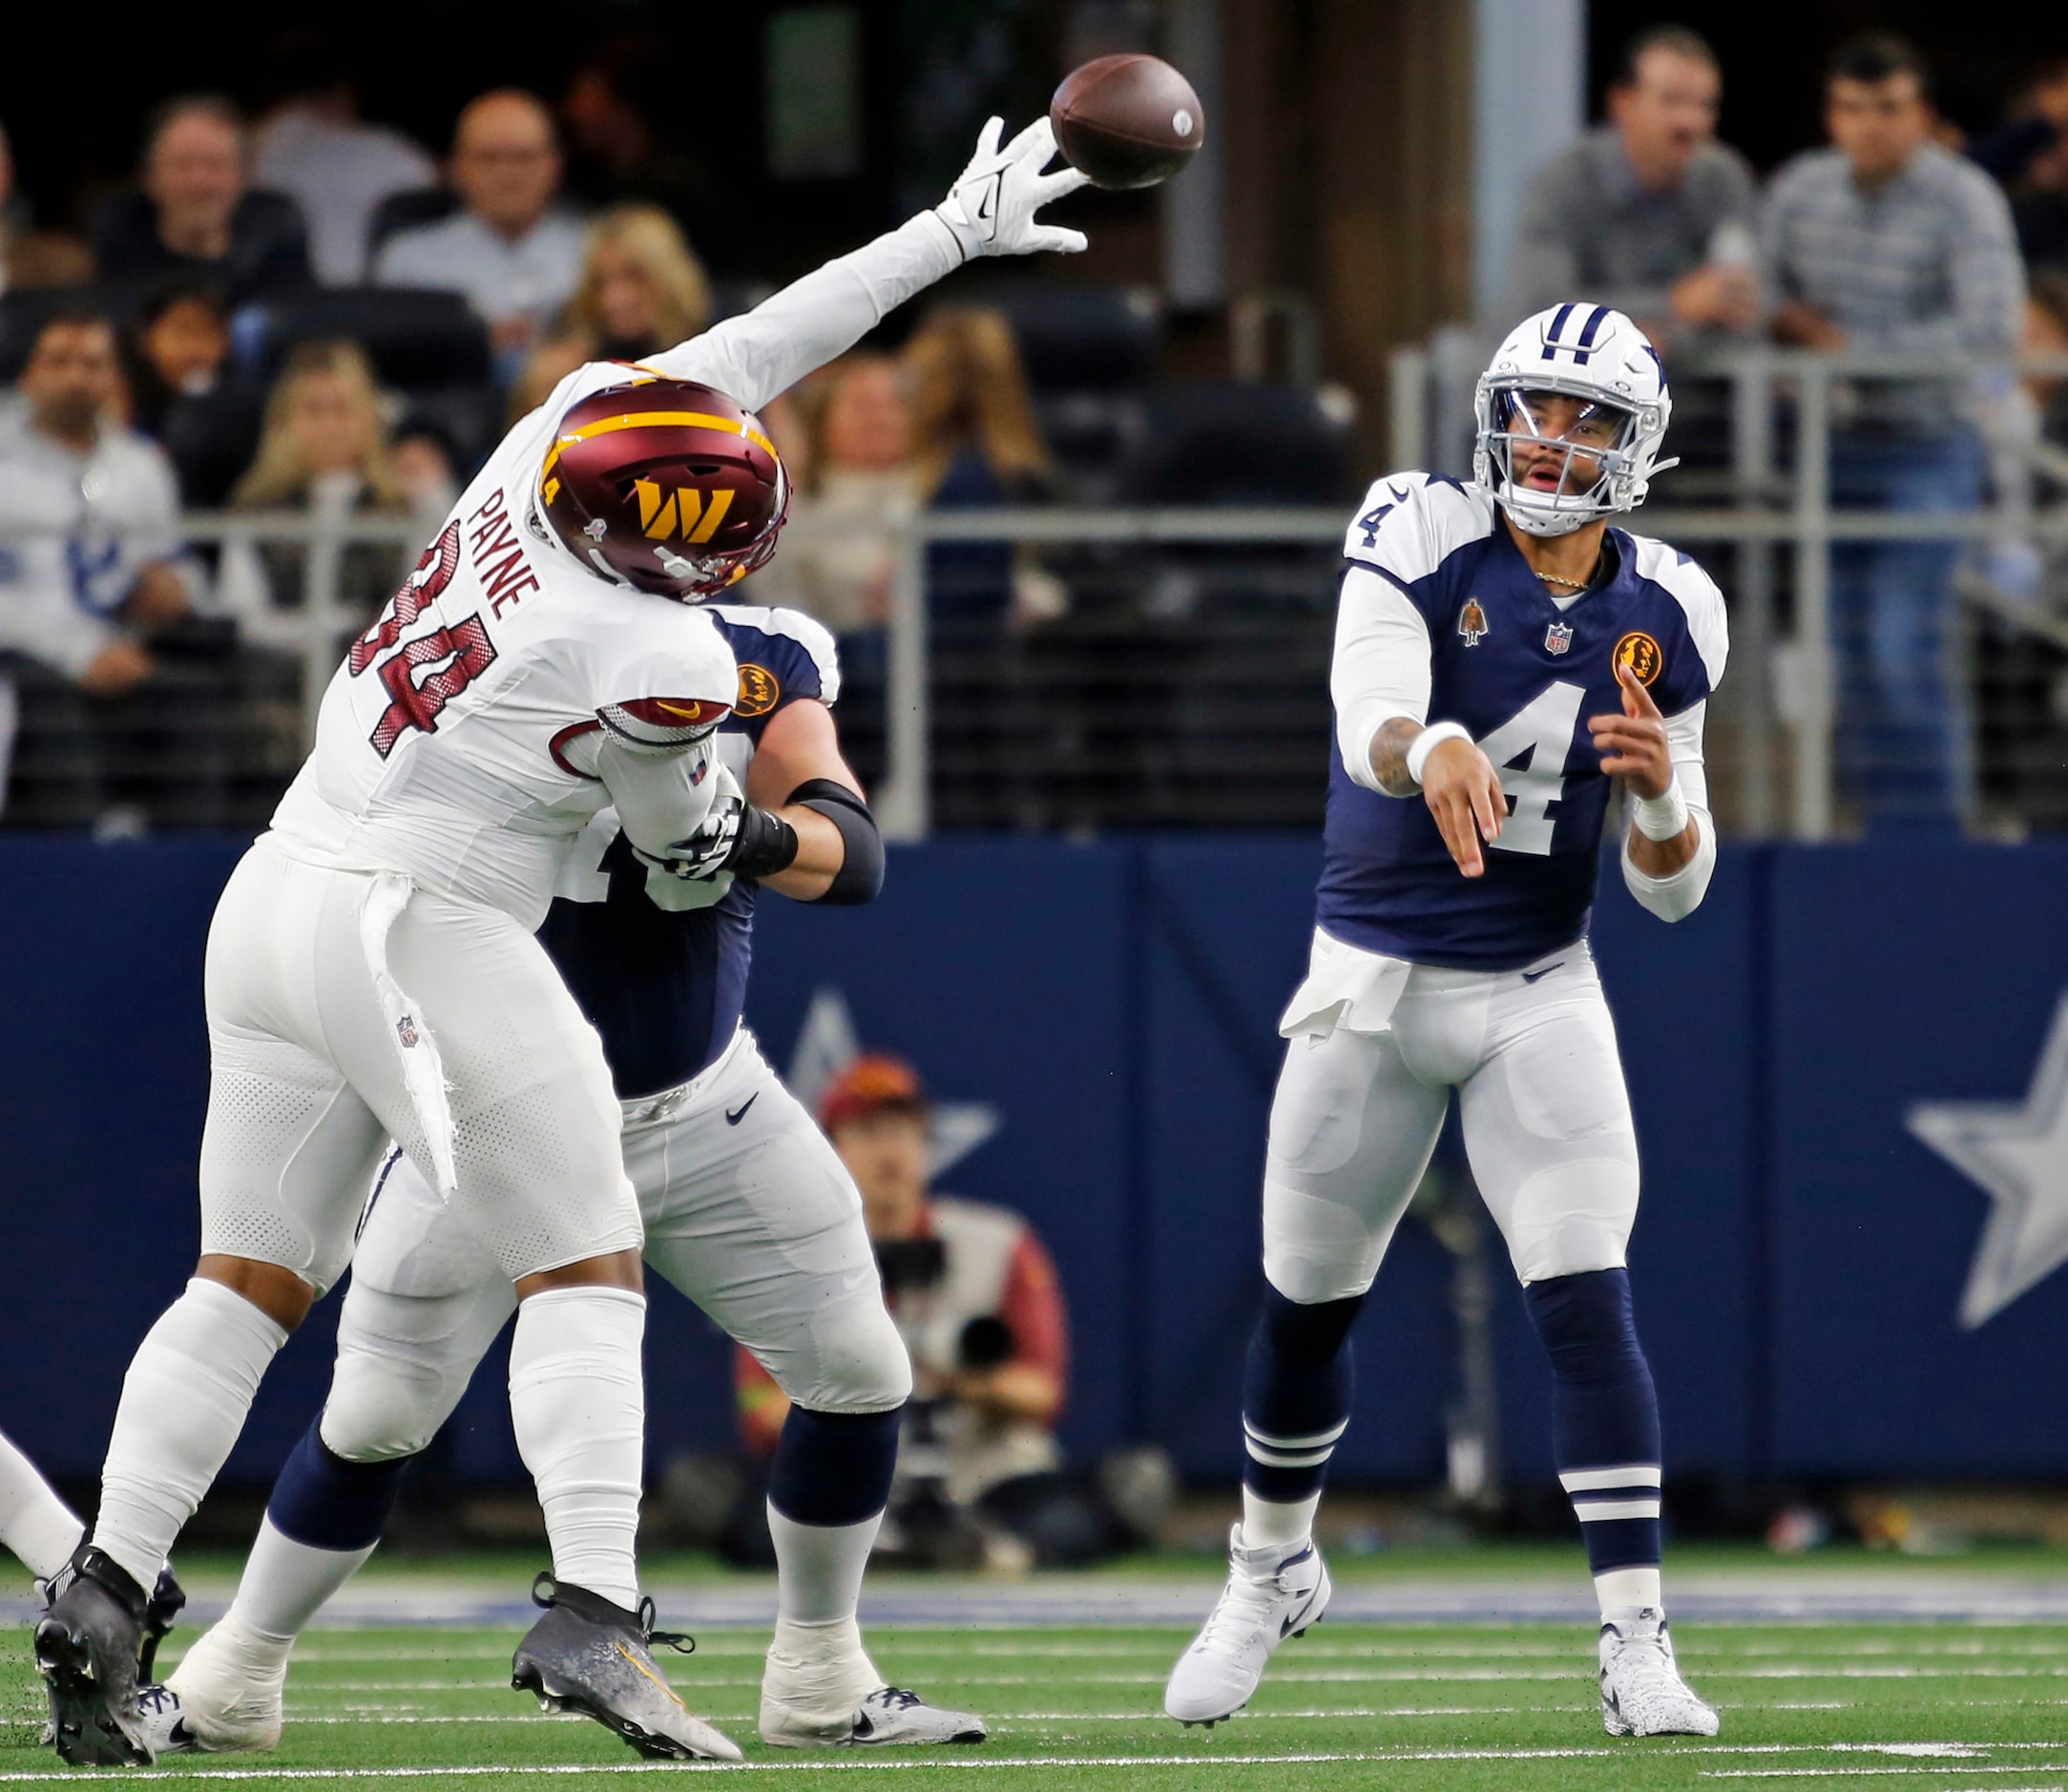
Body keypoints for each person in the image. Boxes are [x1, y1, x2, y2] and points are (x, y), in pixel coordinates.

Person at [31, 115, 1089, 1769]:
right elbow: (682, 850)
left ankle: (107, 1579)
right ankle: (594, 1605)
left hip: (283, 886)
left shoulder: (563, 430)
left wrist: (946, 235)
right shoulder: (654, 646)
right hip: (424, 931)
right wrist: (724, 828)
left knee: (242, 1282)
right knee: (582, 1257)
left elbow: (748, 350)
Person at [1162, 302, 1726, 1740]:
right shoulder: (1417, 522)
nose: (1551, 437)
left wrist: (1659, 793)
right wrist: (1434, 743)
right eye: (1534, 406)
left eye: (1587, 417)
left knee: (1583, 1296)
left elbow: (1672, 891)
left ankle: (1634, 1637)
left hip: (1537, 987)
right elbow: (1366, 704)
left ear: (1634, 445)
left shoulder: (1670, 604)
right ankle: (1264, 1563)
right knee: (1304, 1302)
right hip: (1370, 981)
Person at [734, 1055, 1155, 1570]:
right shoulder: (790, 1255)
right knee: (746, 1512)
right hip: (848, 1472)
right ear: (832, 1147)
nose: (889, 1150)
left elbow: (1043, 1393)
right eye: (867, 1131)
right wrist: (856, 1394)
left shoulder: (999, 1242)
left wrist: (958, 1380)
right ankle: (875, 1552)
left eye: (903, 1131)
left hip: (983, 1473)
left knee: (1097, 1500)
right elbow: (759, 1407)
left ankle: (993, 1552)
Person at [1764, 32, 2025, 831]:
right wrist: (1784, 325)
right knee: (1848, 655)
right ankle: (1879, 837)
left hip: (1926, 448)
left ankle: (1930, 842)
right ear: (1830, 116)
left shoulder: (1964, 197)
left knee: (1900, 640)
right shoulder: (1800, 190)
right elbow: (1763, 286)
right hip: (1826, 449)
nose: (1869, 127)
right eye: (1851, 109)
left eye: (1887, 109)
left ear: (1920, 115)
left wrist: (1850, 353)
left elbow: (1987, 329)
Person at [0, 313, 201, 828]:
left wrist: (171, 590)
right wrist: (77, 652)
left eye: (92, 363)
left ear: (114, 377)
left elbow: (176, 564)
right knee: (50, 713)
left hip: (125, 648)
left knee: (194, 706)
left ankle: (197, 884)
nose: (76, 378)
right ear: (27, 374)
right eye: (59, 361)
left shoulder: (140, 466)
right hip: (27, 656)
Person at [1509, 27, 1760, 352]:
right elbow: (1542, 309)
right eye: (1671, 101)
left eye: (1705, 106)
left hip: (1701, 389)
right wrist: (1673, 306)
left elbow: (1745, 308)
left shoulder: (1724, 177)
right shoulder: (1563, 182)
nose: (1690, 122)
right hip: (1584, 388)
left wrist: (1660, 333)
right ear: (1622, 103)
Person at [218, 340, 415, 649]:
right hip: (276, 680)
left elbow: (418, 612)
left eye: (342, 409)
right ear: (284, 420)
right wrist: (338, 628)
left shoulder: (403, 507)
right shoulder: (255, 507)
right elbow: (244, 620)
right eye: (313, 410)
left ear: (369, 416)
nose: (329, 426)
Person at [372, 91, 586, 362]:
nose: (508, 174)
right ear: (457, 167)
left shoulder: (595, 250)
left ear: (554, 165)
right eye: (489, 158)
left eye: (524, 157)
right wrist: (471, 341)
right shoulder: (408, 260)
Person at [251, 32, 438, 287]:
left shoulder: (243, 150)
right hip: (373, 304)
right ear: (345, 93)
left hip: (286, 305)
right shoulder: (392, 151)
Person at [92, 98, 312, 306]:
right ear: (149, 176)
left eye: (216, 165)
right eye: (183, 165)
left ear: (245, 176)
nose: (200, 183)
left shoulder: (277, 236)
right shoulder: (119, 235)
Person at [509, 203, 714, 418]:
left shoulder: (716, 359)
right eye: (600, 283)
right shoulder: (571, 371)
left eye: (634, 276)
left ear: (668, 277)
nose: (615, 299)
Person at [123, 283, 265, 511]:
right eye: (182, 331)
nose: (194, 349)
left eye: (207, 332)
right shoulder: (125, 406)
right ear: (145, 339)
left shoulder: (250, 412)